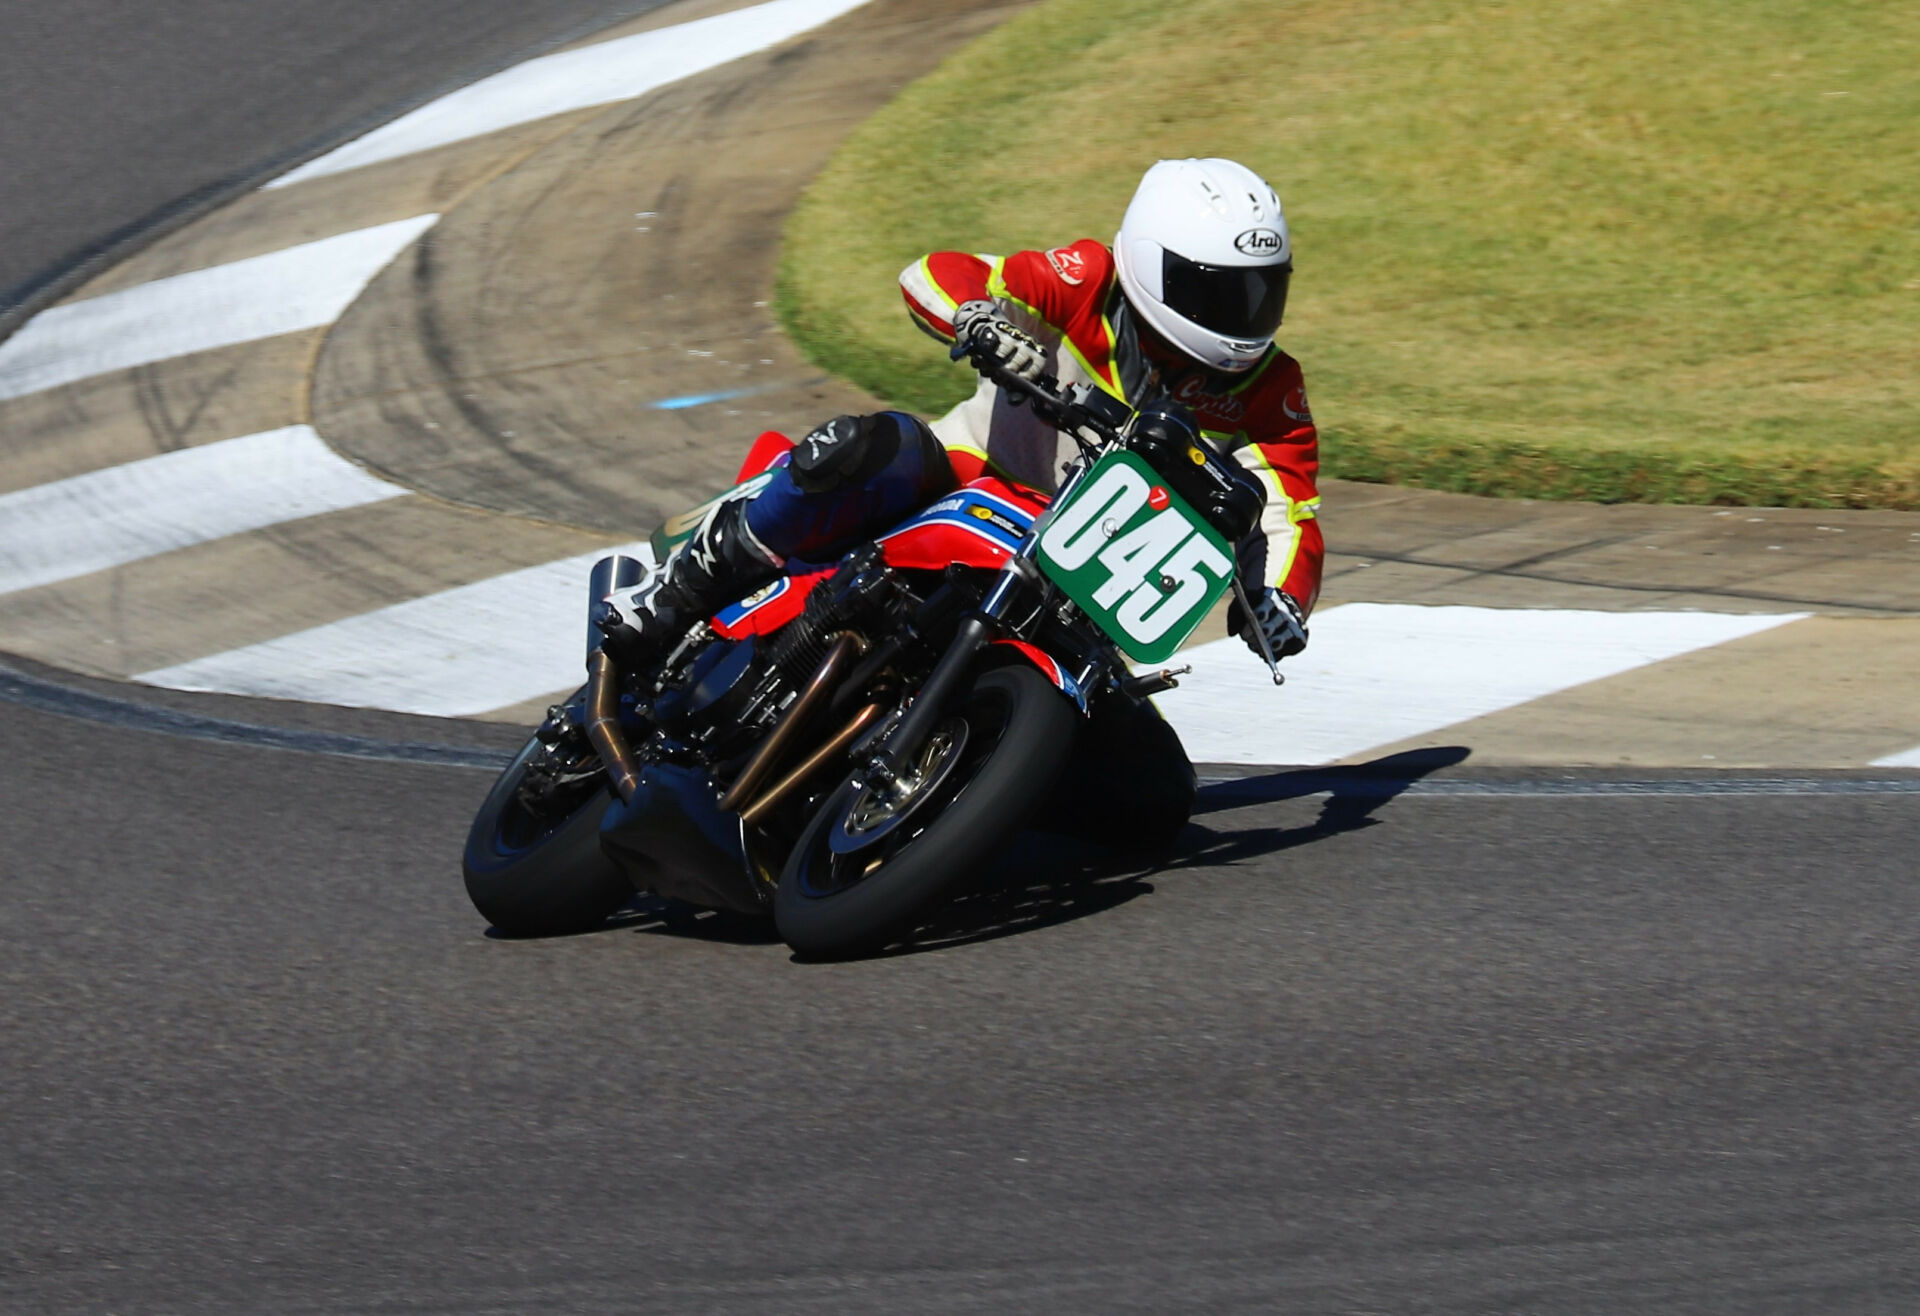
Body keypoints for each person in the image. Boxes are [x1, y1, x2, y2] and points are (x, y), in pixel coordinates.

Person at [633, 158, 1322, 849]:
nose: (1241, 317)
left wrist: (1280, 599)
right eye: (1218, 293)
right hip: (968, 479)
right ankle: (680, 587)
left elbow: (1288, 511)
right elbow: (937, 271)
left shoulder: (1271, 386)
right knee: (878, 447)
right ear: (1148, 263)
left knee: (1156, 797)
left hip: (1077, 590)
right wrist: (979, 319)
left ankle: (963, 796)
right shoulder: (1086, 278)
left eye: (1260, 292)